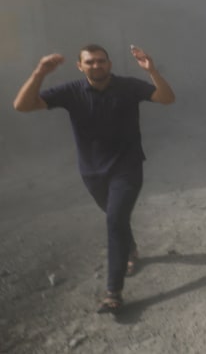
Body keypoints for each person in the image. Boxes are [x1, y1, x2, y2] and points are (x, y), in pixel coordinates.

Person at [13, 44, 175, 313]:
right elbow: (22, 106)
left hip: (127, 167)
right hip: (92, 172)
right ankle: (131, 248)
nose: (96, 66)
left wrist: (152, 71)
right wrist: (40, 72)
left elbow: (167, 98)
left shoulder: (128, 86)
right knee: (116, 217)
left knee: (114, 219)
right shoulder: (71, 92)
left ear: (109, 64)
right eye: (90, 62)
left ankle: (113, 291)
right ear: (81, 66)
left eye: (101, 61)